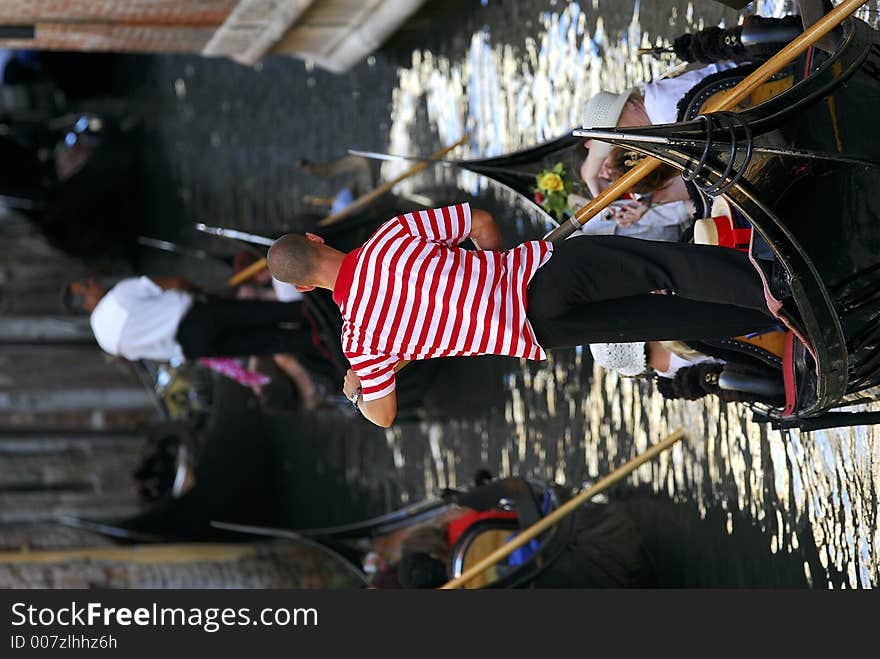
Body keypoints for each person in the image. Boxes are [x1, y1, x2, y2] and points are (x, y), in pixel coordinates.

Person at [266, 202, 778, 427]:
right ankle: (774, 287)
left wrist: (358, 387)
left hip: (542, 330)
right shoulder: (391, 235)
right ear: (317, 239)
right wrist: (495, 263)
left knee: (668, 322)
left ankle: (774, 319)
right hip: (542, 274)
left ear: (306, 285)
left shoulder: (364, 341)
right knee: (664, 266)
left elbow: (382, 416)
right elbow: (479, 221)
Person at [63, 275, 329, 364]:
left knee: (271, 343)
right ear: (86, 302)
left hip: (193, 348)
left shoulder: (107, 343)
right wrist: (201, 292)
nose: (93, 282)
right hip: (197, 317)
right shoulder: (118, 295)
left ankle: (328, 338)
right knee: (267, 313)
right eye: (86, 286)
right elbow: (174, 283)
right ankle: (331, 315)